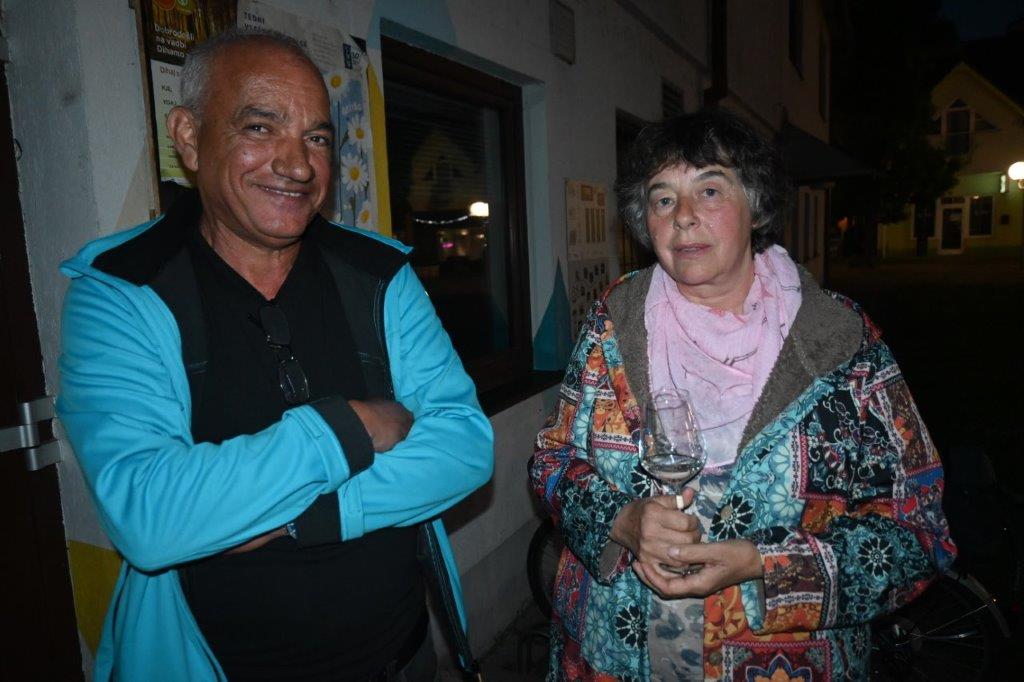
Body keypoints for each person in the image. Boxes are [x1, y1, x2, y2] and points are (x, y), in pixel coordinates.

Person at [57, 28, 492, 681]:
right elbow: (151, 517)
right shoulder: (122, 292)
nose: (298, 165)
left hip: (402, 660)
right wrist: (351, 426)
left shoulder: (378, 277)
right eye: (261, 128)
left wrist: (303, 516)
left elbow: (465, 446)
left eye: (317, 138)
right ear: (188, 136)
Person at [528, 108, 955, 680]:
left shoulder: (841, 341)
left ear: (755, 205)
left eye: (709, 190)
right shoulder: (612, 323)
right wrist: (620, 520)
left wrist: (764, 563)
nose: (683, 216)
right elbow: (552, 460)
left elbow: (918, 534)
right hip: (610, 659)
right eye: (662, 198)